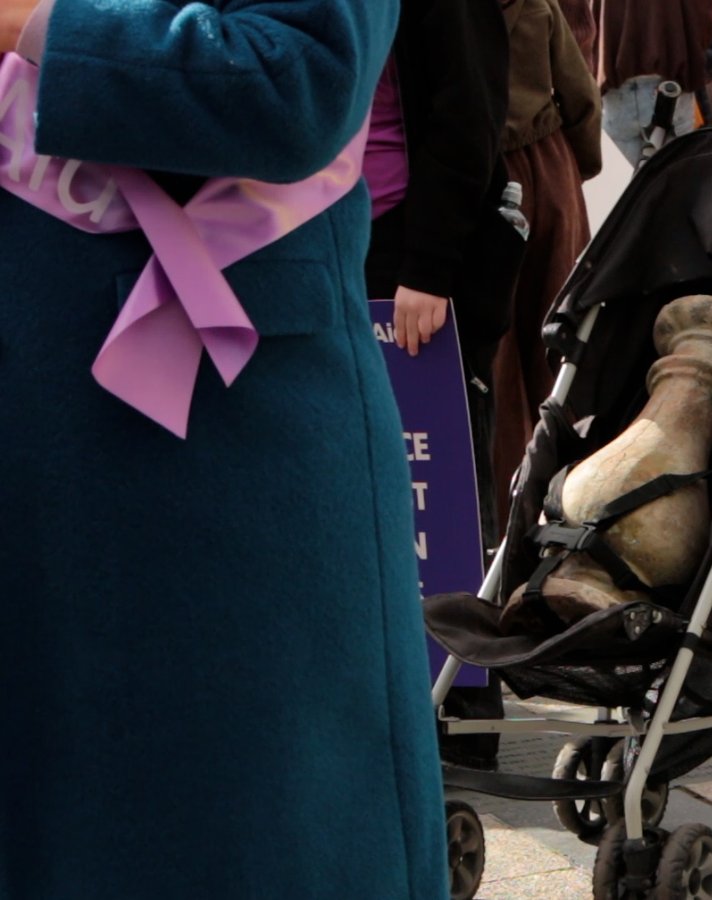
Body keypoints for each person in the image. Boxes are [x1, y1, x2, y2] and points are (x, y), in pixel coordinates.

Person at [0, 0, 449, 896]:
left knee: (254, 828)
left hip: (225, 442)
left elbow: (298, 78)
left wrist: (23, 23)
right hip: (43, 403)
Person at [364, 0, 515, 769]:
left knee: (440, 484)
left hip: (413, 261)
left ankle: (466, 701)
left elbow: (469, 118)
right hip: (334, 244)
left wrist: (426, 269)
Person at [490, 0, 602, 530]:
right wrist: (577, 165)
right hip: (548, 167)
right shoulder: (537, 4)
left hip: (485, 173)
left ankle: (507, 500)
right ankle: (566, 487)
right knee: (557, 337)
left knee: (501, 349)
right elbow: (579, 92)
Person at [594, 0, 712, 164]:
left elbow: (579, 24)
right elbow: (705, 15)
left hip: (616, 89)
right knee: (676, 183)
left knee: (627, 186)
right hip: (668, 82)